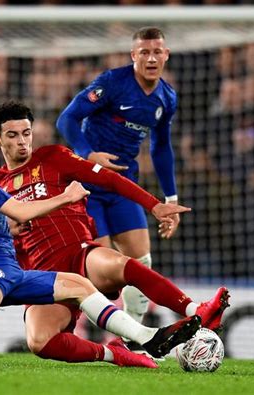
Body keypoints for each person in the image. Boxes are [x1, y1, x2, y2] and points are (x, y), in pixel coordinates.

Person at [0, 102, 201, 367]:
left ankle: (140, 341)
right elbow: (20, 211)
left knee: (79, 286)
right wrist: (66, 196)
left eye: (26, 133)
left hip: (2, 264)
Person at [56, 27, 181, 328]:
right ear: (133, 56)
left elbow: (161, 147)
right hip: (88, 187)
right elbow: (67, 119)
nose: (151, 58)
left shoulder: (166, 97)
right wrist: (87, 153)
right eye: (144, 52)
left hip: (123, 188)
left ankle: (134, 338)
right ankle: (67, 322)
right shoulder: (112, 83)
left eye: (157, 52)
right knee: (102, 273)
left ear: (166, 55)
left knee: (143, 263)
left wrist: (171, 198)